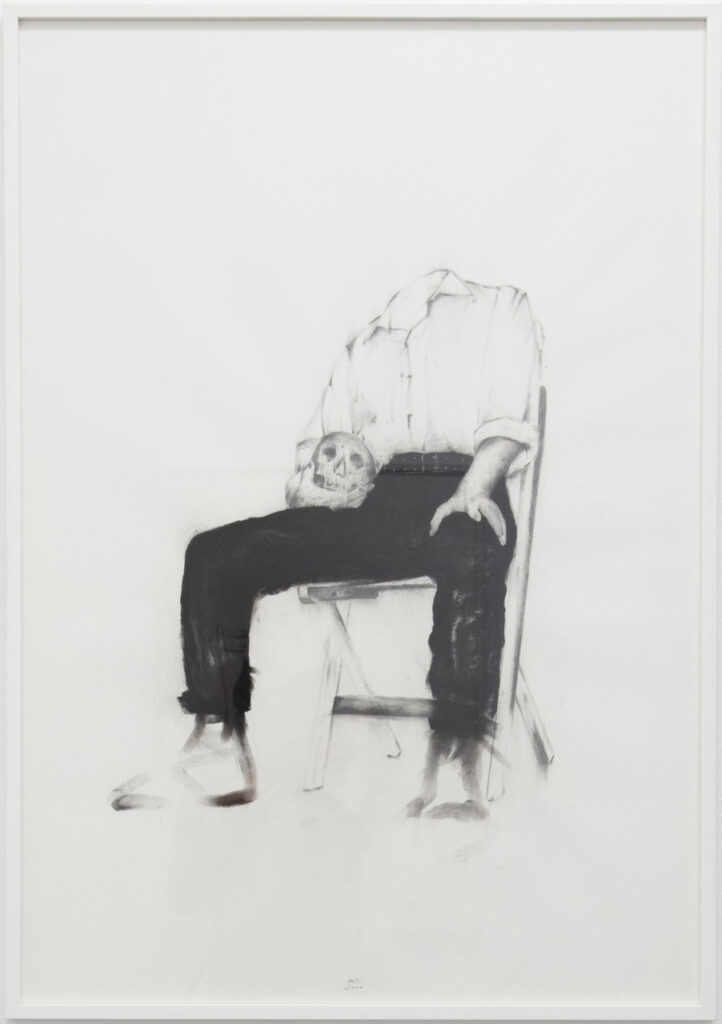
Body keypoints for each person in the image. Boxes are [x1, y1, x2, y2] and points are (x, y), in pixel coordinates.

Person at [113, 269, 543, 814]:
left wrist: (474, 487)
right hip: (375, 503)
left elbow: (509, 421)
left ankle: (460, 763)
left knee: (468, 545)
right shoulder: (368, 343)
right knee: (215, 554)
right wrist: (327, 487)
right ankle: (218, 745)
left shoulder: (501, 307)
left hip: (467, 484)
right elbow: (313, 455)